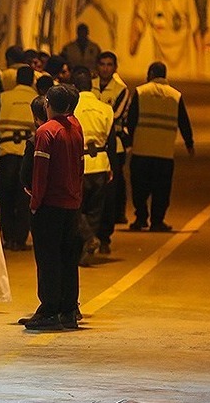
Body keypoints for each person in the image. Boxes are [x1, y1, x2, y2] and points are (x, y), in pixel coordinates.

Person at [23, 85, 84, 331]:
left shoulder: (46, 132)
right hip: (71, 204)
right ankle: (68, 309)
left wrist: (35, 202)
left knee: (48, 259)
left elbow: (40, 173)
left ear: (47, 104)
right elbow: (79, 165)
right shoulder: (76, 127)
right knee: (68, 258)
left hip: (50, 206)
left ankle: (49, 310)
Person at [126, 62, 194, 232]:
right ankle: (157, 221)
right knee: (161, 190)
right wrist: (189, 143)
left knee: (139, 187)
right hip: (164, 152)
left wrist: (128, 142)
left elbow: (131, 119)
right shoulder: (175, 96)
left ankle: (141, 218)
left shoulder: (141, 92)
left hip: (141, 150)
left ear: (150, 73)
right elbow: (183, 121)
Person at [72, 68, 116, 264]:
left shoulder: (71, 108)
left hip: (79, 164)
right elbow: (111, 142)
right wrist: (112, 166)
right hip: (100, 162)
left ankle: (88, 239)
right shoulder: (105, 108)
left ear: (74, 87)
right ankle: (88, 246)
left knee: (75, 207)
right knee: (95, 210)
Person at [0, 66, 38, 250]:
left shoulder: (4, 96)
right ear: (32, 81)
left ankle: (8, 237)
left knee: (5, 197)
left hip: (6, 152)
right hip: (26, 153)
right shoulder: (37, 100)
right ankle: (20, 239)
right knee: (24, 197)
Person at [92, 51, 130, 248]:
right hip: (93, 146)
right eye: (102, 64)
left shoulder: (121, 89)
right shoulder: (90, 86)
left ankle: (105, 234)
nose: (105, 68)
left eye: (109, 65)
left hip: (114, 146)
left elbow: (115, 115)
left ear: (115, 67)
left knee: (110, 190)